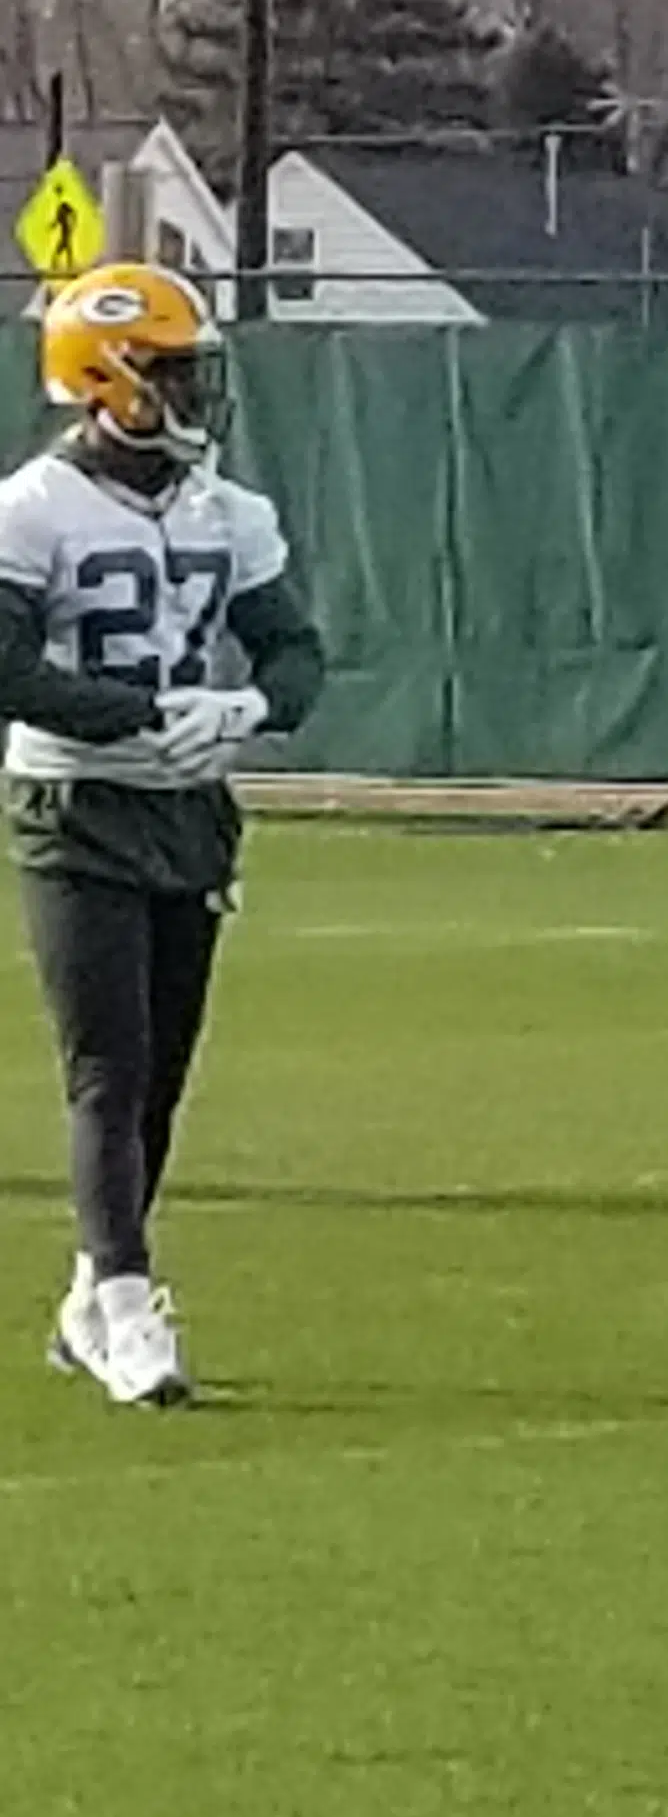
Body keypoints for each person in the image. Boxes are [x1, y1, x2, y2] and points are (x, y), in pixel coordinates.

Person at [0, 262, 325, 1403]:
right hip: (76, 801)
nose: (193, 394)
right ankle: (131, 1305)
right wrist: (146, 714)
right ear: (105, 378)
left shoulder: (226, 510)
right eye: (172, 372)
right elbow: (4, 666)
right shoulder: (33, 506)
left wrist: (245, 708)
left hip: (189, 811)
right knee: (108, 1065)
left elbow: (296, 652)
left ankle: (93, 1294)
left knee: (158, 1086)